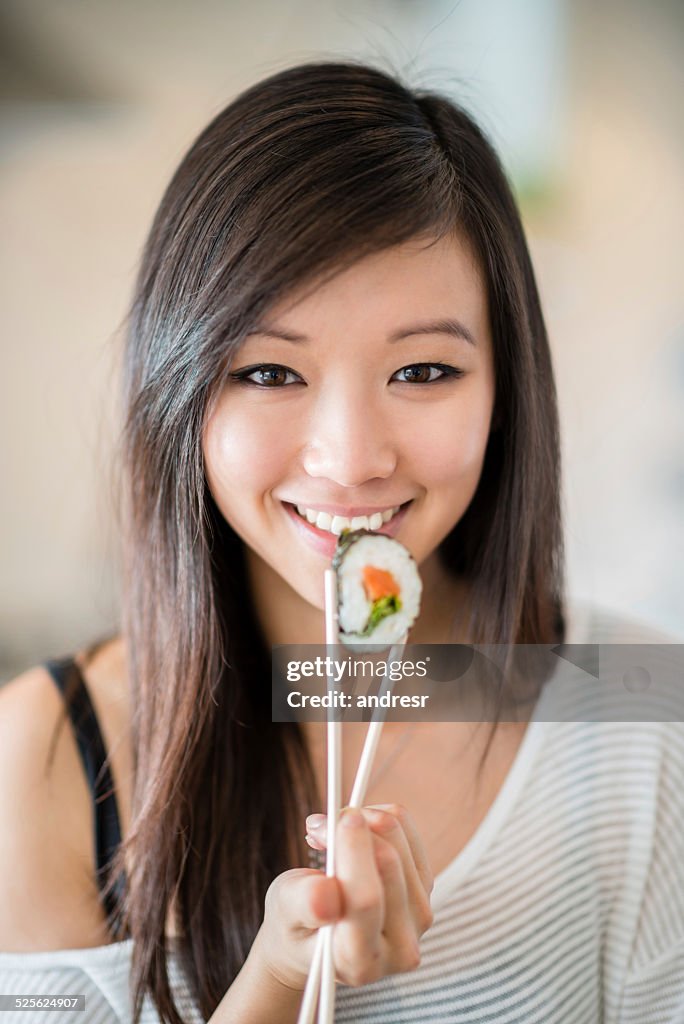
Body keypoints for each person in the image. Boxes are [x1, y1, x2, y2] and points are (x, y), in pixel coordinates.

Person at [0, 61, 682, 1024]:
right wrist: (276, 983)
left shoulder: (646, 713)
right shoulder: (42, 760)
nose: (353, 459)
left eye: (425, 368)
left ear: (507, 393)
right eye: (273, 373)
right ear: (178, 392)